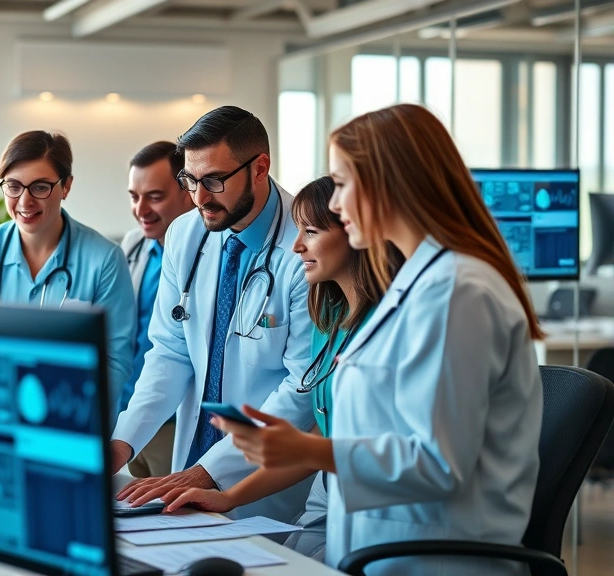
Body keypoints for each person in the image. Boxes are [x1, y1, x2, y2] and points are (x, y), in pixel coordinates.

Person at [209, 103, 544, 575]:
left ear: (388, 183)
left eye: (342, 183)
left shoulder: (459, 291)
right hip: (378, 550)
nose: (336, 204)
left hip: (432, 561)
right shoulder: (415, 286)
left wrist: (306, 449)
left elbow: (438, 463)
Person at [163, 175, 402, 560]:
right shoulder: (328, 318)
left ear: (354, 231)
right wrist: (227, 497)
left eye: (311, 231)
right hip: (328, 495)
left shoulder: (389, 326)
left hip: (379, 510)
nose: (296, 245)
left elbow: (359, 449)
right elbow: (321, 438)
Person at [111, 106, 315, 522]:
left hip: (262, 483)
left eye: (214, 181)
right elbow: (170, 352)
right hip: (189, 465)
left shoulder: (306, 247)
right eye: (190, 180)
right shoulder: (185, 234)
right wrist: (123, 441)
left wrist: (209, 471)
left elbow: (301, 388)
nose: (199, 197)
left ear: (260, 168)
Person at [0, 130, 136, 425]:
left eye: (40, 187)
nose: (25, 201)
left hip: (72, 419)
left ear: (66, 186)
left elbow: (115, 361)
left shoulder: (104, 260)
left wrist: (66, 412)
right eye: (13, 186)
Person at [120, 141, 196, 478]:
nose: (141, 210)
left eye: (154, 196)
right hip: (127, 415)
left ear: (187, 191)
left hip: (172, 421)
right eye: (134, 197)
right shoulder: (133, 245)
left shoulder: (205, 255)